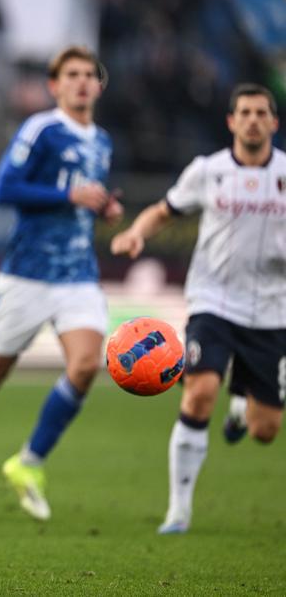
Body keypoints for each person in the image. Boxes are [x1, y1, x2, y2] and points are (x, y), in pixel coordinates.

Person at [0, 46, 122, 523]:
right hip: (27, 274)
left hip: (78, 275)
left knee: (83, 367)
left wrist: (102, 207)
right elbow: (5, 188)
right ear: (55, 86)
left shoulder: (102, 142)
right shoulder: (41, 129)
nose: (80, 83)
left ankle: (28, 463)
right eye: (70, 75)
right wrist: (68, 194)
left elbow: (80, 201)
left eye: (88, 75)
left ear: (99, 86)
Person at [110, 83, 286, 534]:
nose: (251, 119)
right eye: (243, 112)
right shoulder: (208, 171)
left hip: (272, 311)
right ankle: (179, 511)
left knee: (266, 430)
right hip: (214, 302)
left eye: (259, 112)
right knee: (199, 392)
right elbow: (163, 210)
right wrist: (137, 234)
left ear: (273, 122)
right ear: (231, 122)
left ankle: (241, 404)